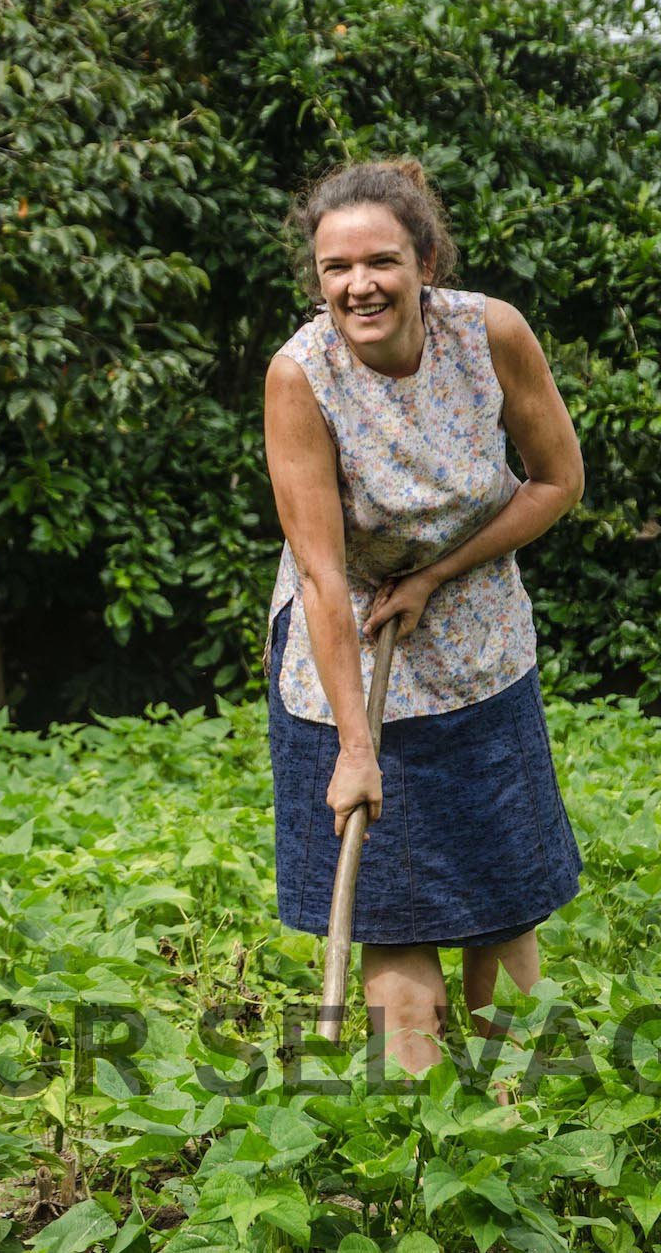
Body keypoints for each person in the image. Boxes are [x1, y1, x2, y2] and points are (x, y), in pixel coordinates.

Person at [260, 158, 586, 1075]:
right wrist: (356, 750)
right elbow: (323, 576)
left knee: (502, 897)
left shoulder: (489, 335)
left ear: (425, 261)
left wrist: (439, 572)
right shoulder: (301, 378)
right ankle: (423, 1136)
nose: (359, 284)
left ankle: (516, 1108)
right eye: (336, 268)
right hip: (349, 659)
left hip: (480, 638)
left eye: (381, 261)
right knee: (394, 917)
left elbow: (558, 481)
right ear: (318, 279)